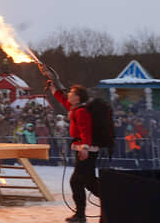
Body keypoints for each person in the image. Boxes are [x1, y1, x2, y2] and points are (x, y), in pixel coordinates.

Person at [49, 81, 99, 223]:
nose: (69, 94)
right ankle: (112, 201)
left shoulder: (82, 111)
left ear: (78, 97)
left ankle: (81, 215)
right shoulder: (75, 108)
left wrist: (85, 147)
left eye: (72, 92)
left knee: (76, 181)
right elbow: (62, 99)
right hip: (84, 149)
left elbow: (86, 130)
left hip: (87, 150)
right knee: (89, 182)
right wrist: (53, 87)